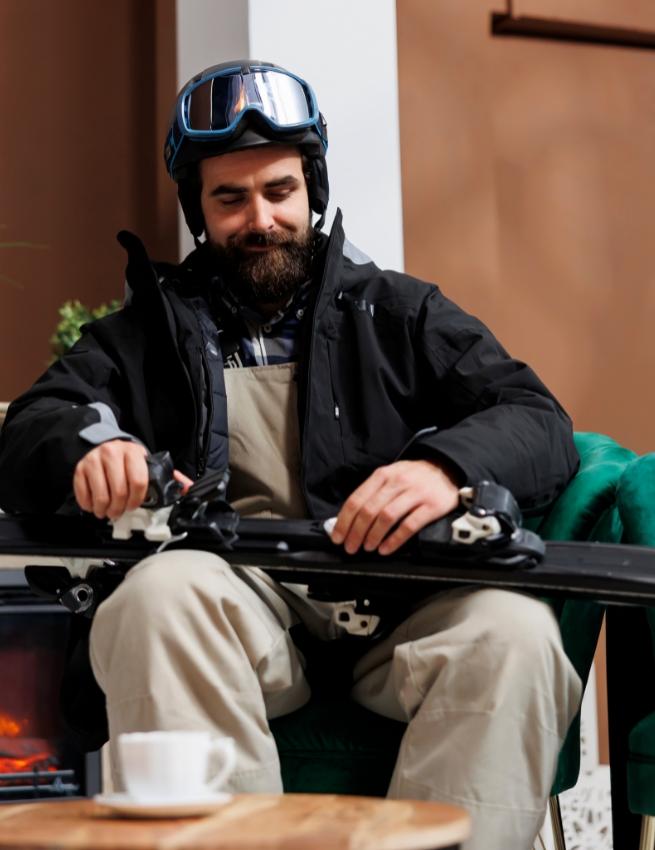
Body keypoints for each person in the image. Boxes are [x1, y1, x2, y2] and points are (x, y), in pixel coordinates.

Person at [0, 61, 582, 850]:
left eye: (278, 190)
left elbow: (534, 418)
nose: (259, 219)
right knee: (154, 597)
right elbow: (37, 419)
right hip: (239, 613)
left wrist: (442, 469)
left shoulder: (402, 312)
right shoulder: (143, 334)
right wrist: (90, 448)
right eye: (229, 199)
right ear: (198, 211)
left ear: (312, 189)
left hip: (406, 606)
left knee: (515, 634)